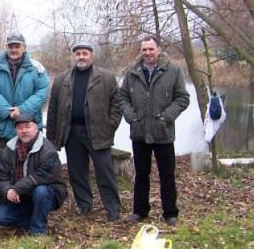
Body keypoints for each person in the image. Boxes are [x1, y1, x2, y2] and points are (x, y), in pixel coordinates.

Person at [46, 43, 122, 221]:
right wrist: (52, 136)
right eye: (78, 54)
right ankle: (84, 204)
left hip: (98, 132)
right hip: (72, 132)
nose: (81, 57)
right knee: (77, 172)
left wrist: (110, 125)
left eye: (85, 54)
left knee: (105, 171)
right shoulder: (61, 80)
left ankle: (112, 207)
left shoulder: (106, 77)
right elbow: (53, 109)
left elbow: (116, 106)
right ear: (74, 57)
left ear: (91, 56)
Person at [119, 36, 190, 226]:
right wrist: (131, 117)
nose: (148, 53)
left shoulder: (172, 71)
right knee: (141, 174)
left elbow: (182, 98)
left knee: (167, 174)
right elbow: (122, 97)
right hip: (140, 132)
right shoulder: (132, 72)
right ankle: (139, 211)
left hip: (163, 133)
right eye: (144, 50)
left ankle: (170, 213)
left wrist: (167, 117)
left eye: (151, 49)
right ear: (141, 52)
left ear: (158, 50)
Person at [0, 32, 50, 215]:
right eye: (11, 45)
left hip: (27, 128)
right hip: (0, 127)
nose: (14, 49)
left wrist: (22, 111)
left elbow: (42, 92)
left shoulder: (37, 69)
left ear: (24, 47)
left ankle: (28, 200)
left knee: (27, 166)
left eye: (17, 45)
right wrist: (8, 111)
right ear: (6, 47)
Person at [0, 114, 67, 236]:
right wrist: (8, 190)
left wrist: (17, 188)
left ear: (36, 128)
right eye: (20, 128)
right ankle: (36, 220)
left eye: (27, 127)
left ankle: (38, 230)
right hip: (22, 196)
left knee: (40, 191)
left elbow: (44, 176)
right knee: (1, 218)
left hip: (49, 193)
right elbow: (0, 175)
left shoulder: (48, 150)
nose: (24, 131)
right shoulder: (9, 149)